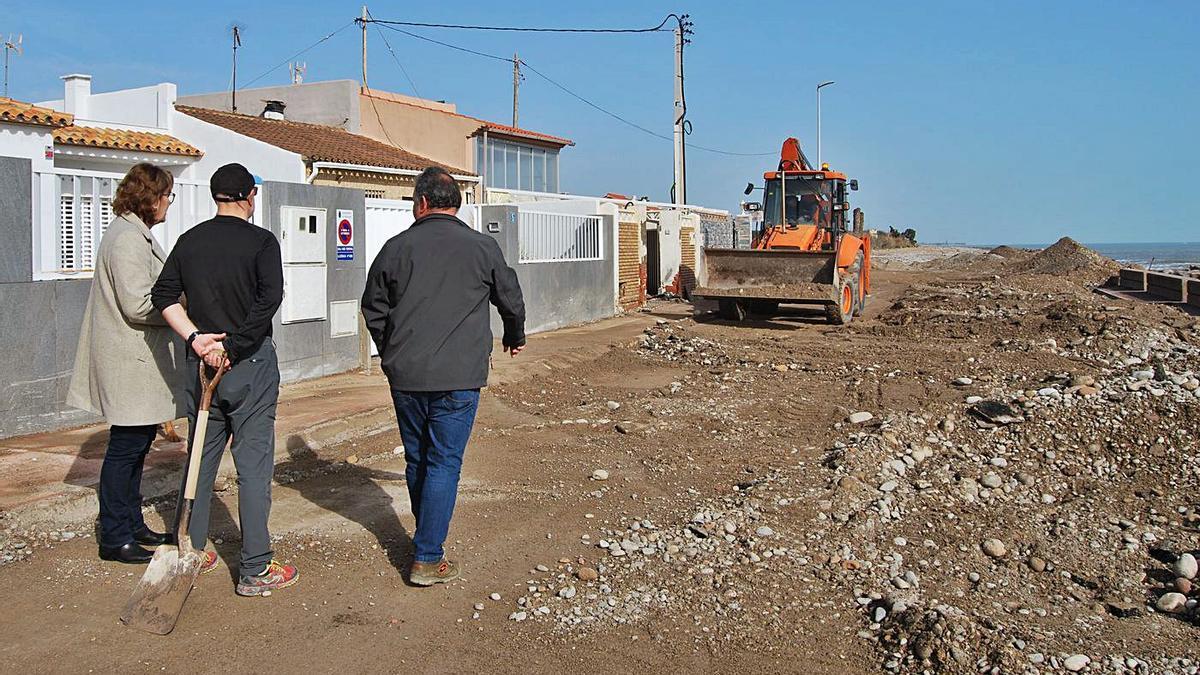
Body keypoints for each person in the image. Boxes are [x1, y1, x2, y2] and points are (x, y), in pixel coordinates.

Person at [362, 166, 526, 586]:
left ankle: (425, 541)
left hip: (407, 376)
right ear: (457, 205)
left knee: (419, 459)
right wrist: (514, 334)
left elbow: (373, 307)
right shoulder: (481, 247)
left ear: (420, 203)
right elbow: (510, 295)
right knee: (443, 462)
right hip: (459, 377)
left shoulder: (395, 248)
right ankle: (428, 556)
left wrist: (391, 351)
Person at [151, 163, 298, 597]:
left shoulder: (189, 241)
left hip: (202, 370)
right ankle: (255, 569)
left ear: (217, 196)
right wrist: (233, 347)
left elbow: (163, 296)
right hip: (248, 366)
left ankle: (191, 550)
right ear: (248, 195)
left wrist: (197, 340)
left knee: (199, 458)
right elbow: (270, 298)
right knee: (253, 467)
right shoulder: (261, 242)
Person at [67, 163, 182, 564]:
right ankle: (115, 535)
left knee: (136, 447)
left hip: (136, 362)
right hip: (129, 360)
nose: (169, 201)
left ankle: (131, 523)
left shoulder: (134, 234)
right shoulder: (127, 240)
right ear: (149, 197)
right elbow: (137, 303)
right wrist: (179, 307)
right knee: (125, 449)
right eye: (166, 194)